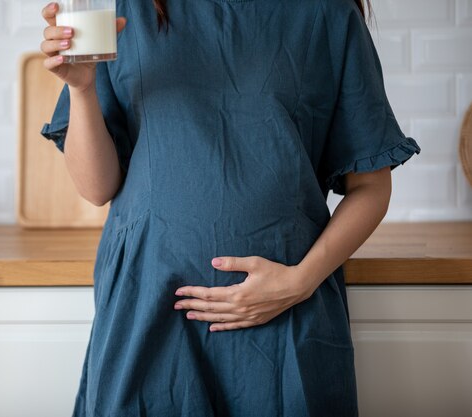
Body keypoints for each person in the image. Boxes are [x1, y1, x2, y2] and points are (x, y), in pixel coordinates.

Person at [40, 0, 421, 415]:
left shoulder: (325, 13)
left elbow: (370, 187)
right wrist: (81, 88)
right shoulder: (125, 9)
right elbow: (97, 188)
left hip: (284, 317)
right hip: (149, 304)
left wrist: (298, 283)